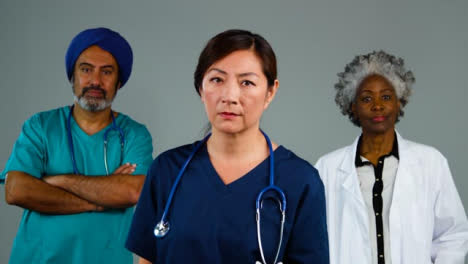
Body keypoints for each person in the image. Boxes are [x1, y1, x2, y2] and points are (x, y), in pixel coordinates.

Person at [125, 29, 329, 264]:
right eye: (217, 80)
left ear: (270, 92)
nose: (230, 96)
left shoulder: (300, 181)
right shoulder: (167, 170)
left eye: (247, 82)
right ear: (201, 89)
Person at [2, 27, 153, 264]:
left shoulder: (134, 134)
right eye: (86, 69)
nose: (95, 81)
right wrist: (100, 199)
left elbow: (133, 191)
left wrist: (57, 181)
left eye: (107, 72)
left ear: (119, 81)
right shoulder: (41, 126)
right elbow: (16, 190)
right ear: (72, 76)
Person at [315, 50, 468, 264]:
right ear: (353, 106)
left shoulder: (431, 162)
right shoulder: (327, 168)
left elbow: (452, 235)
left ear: (399, 102)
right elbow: (313, 239)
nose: (377, 105)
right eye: (367, 98)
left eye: (386, 97)